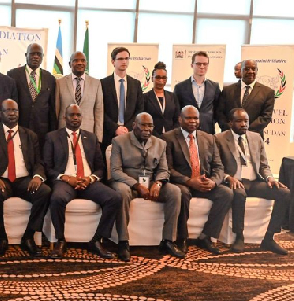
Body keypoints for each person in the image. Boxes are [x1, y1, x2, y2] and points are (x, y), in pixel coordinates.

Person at [43, 105, 121, 259]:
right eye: (71, 115)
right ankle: (60, 240)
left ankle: (97, 240)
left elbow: (100, 168)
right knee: (57, 198)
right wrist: (66, 178)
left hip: (88, 181)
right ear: (64, 117)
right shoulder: (52, 137)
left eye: (78, 115)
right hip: (65, 181)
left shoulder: (91, 138)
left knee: (115, 198)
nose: (75, 118)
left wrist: (90, 178)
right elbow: (47, 167)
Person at [0, 99, 51, 257]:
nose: (12, 114)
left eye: (15, 111)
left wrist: (37, 177)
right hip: (1, 180)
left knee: (44, 191)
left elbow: (38, 163)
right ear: (0, 113)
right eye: (7, 111)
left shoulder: (30, 135)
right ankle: (1, 237)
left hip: (24, 180)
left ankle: (29, 236)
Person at [215, 108, 291, 255]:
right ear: (230, 123)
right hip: (234, 181)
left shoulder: (256, 137)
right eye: (239, 121)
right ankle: (239, 236)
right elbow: (215, 166)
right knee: (239, 194)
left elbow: (264, 165)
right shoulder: (219, 139)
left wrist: (269, 178)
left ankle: (268, 238)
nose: (243, 124)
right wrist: (228, 177)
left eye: (246, 121)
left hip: (254, 181)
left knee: (285, 193)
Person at [110, 112, 184, 261]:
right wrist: (137, 185)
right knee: (121, 192)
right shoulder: (119, 141)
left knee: (175, 191)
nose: (147, 129)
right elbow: (115, 171)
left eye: (150, 125)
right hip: (127, 182)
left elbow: (164, 170)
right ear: (134, 126)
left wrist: (158, 183)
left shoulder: (160, 143)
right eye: (143, 125)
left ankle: (168, 241)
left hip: (150, 182)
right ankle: (123, 242)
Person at [163, 106, 232, 254]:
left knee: (226, 193)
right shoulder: (168, 138)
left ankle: (206, 236)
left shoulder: (209, 138)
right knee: (181, 193)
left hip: (204, 183)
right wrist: (189, 181)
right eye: (188, 118)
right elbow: (168, 169)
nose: (192, 121)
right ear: (180, 119)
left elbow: (218, 166)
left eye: (195, 118)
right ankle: (182, 238)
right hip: (183, 183)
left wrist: (213, 181)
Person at [8, 43, 57, 149]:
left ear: (42, 57)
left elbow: (51, 107)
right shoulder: (13, 75)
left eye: (39, 54)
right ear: (26, 55)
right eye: (32, 54)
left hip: (42, 129)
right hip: (20, 126)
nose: (35, 56)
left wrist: (53, 131)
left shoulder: (50, 78)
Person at [101, 47, 143, 152]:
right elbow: (100, 110)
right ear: (112, 61)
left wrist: (127, 128)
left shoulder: (136, 84)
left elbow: (140, 109)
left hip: (130, 133)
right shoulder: (103, 84)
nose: (124, 61)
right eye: (120, 59)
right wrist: (115, 128)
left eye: (126, 58)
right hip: (109, 133)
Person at [217, 60, 275, 137]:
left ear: (257, 71)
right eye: (247, 69)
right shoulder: (227, 90)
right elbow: (220, 113)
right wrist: (231, 129)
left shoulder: (267, 92)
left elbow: (266, 117)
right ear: (240, 71)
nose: (250, 71)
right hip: (229, 137)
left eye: (253, 69)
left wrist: (245, 130)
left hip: (254, 137)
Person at [56, 51, 103, 143]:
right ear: (70, 64)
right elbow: (56, 110)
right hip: (65, 132)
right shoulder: (59, 83)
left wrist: (98, 137)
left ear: (86, 63)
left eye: (82, 60)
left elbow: (99, 112)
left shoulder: (96, 83)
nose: (80, 63)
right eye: (76, 60)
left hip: (88, 132)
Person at [173, 51, 221, 135]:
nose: (202, 67)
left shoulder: (214, 86)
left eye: (205, 64)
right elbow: (177, 110)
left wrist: (210, 120)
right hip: (186, 130)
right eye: (198, 64)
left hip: (208, 130)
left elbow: (218, 108)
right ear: (192, 65)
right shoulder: (180, 87)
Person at [143, 62, 180, 137]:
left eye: (164, 77)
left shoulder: (172, 97)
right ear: (152, 78)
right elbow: (143, 119)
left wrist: (172, 133)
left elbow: (177, 118)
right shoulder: (145, 97)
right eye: (158, 77)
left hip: (171, 137)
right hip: (151, 136)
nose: (161, 80)